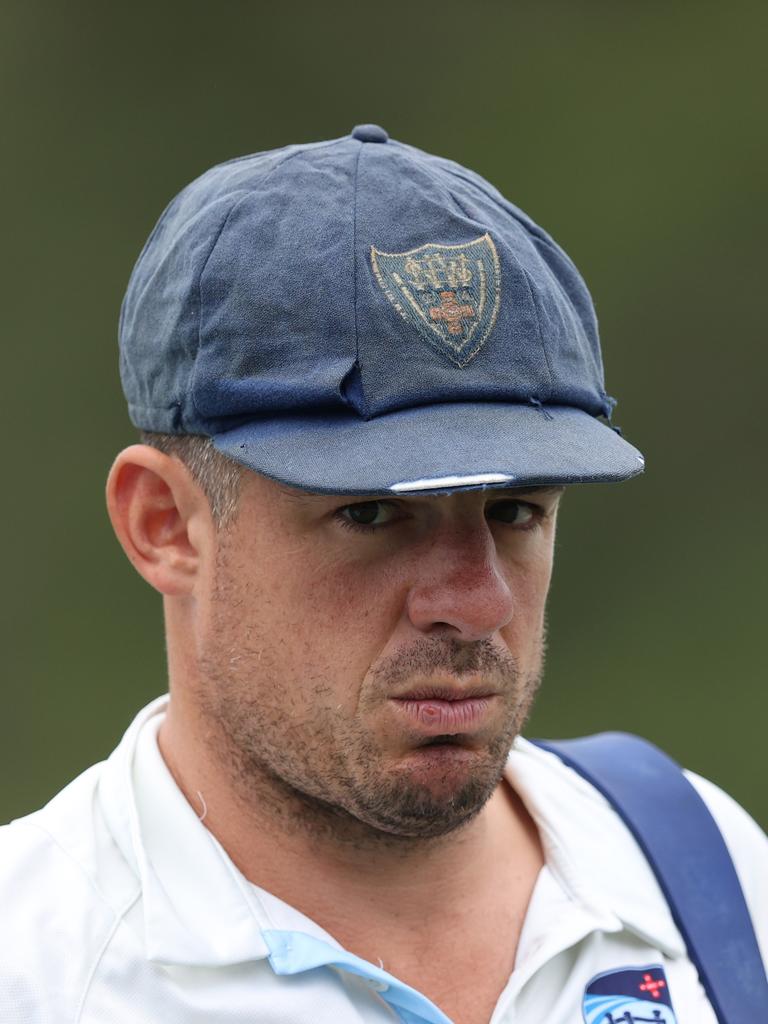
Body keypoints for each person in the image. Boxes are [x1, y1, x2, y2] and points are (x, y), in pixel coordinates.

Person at [1, 124, 765, 1024]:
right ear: (165, 526)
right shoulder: (37, 967)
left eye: (515, 510)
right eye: (369, 513)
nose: (476, 603)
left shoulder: (709, 877)